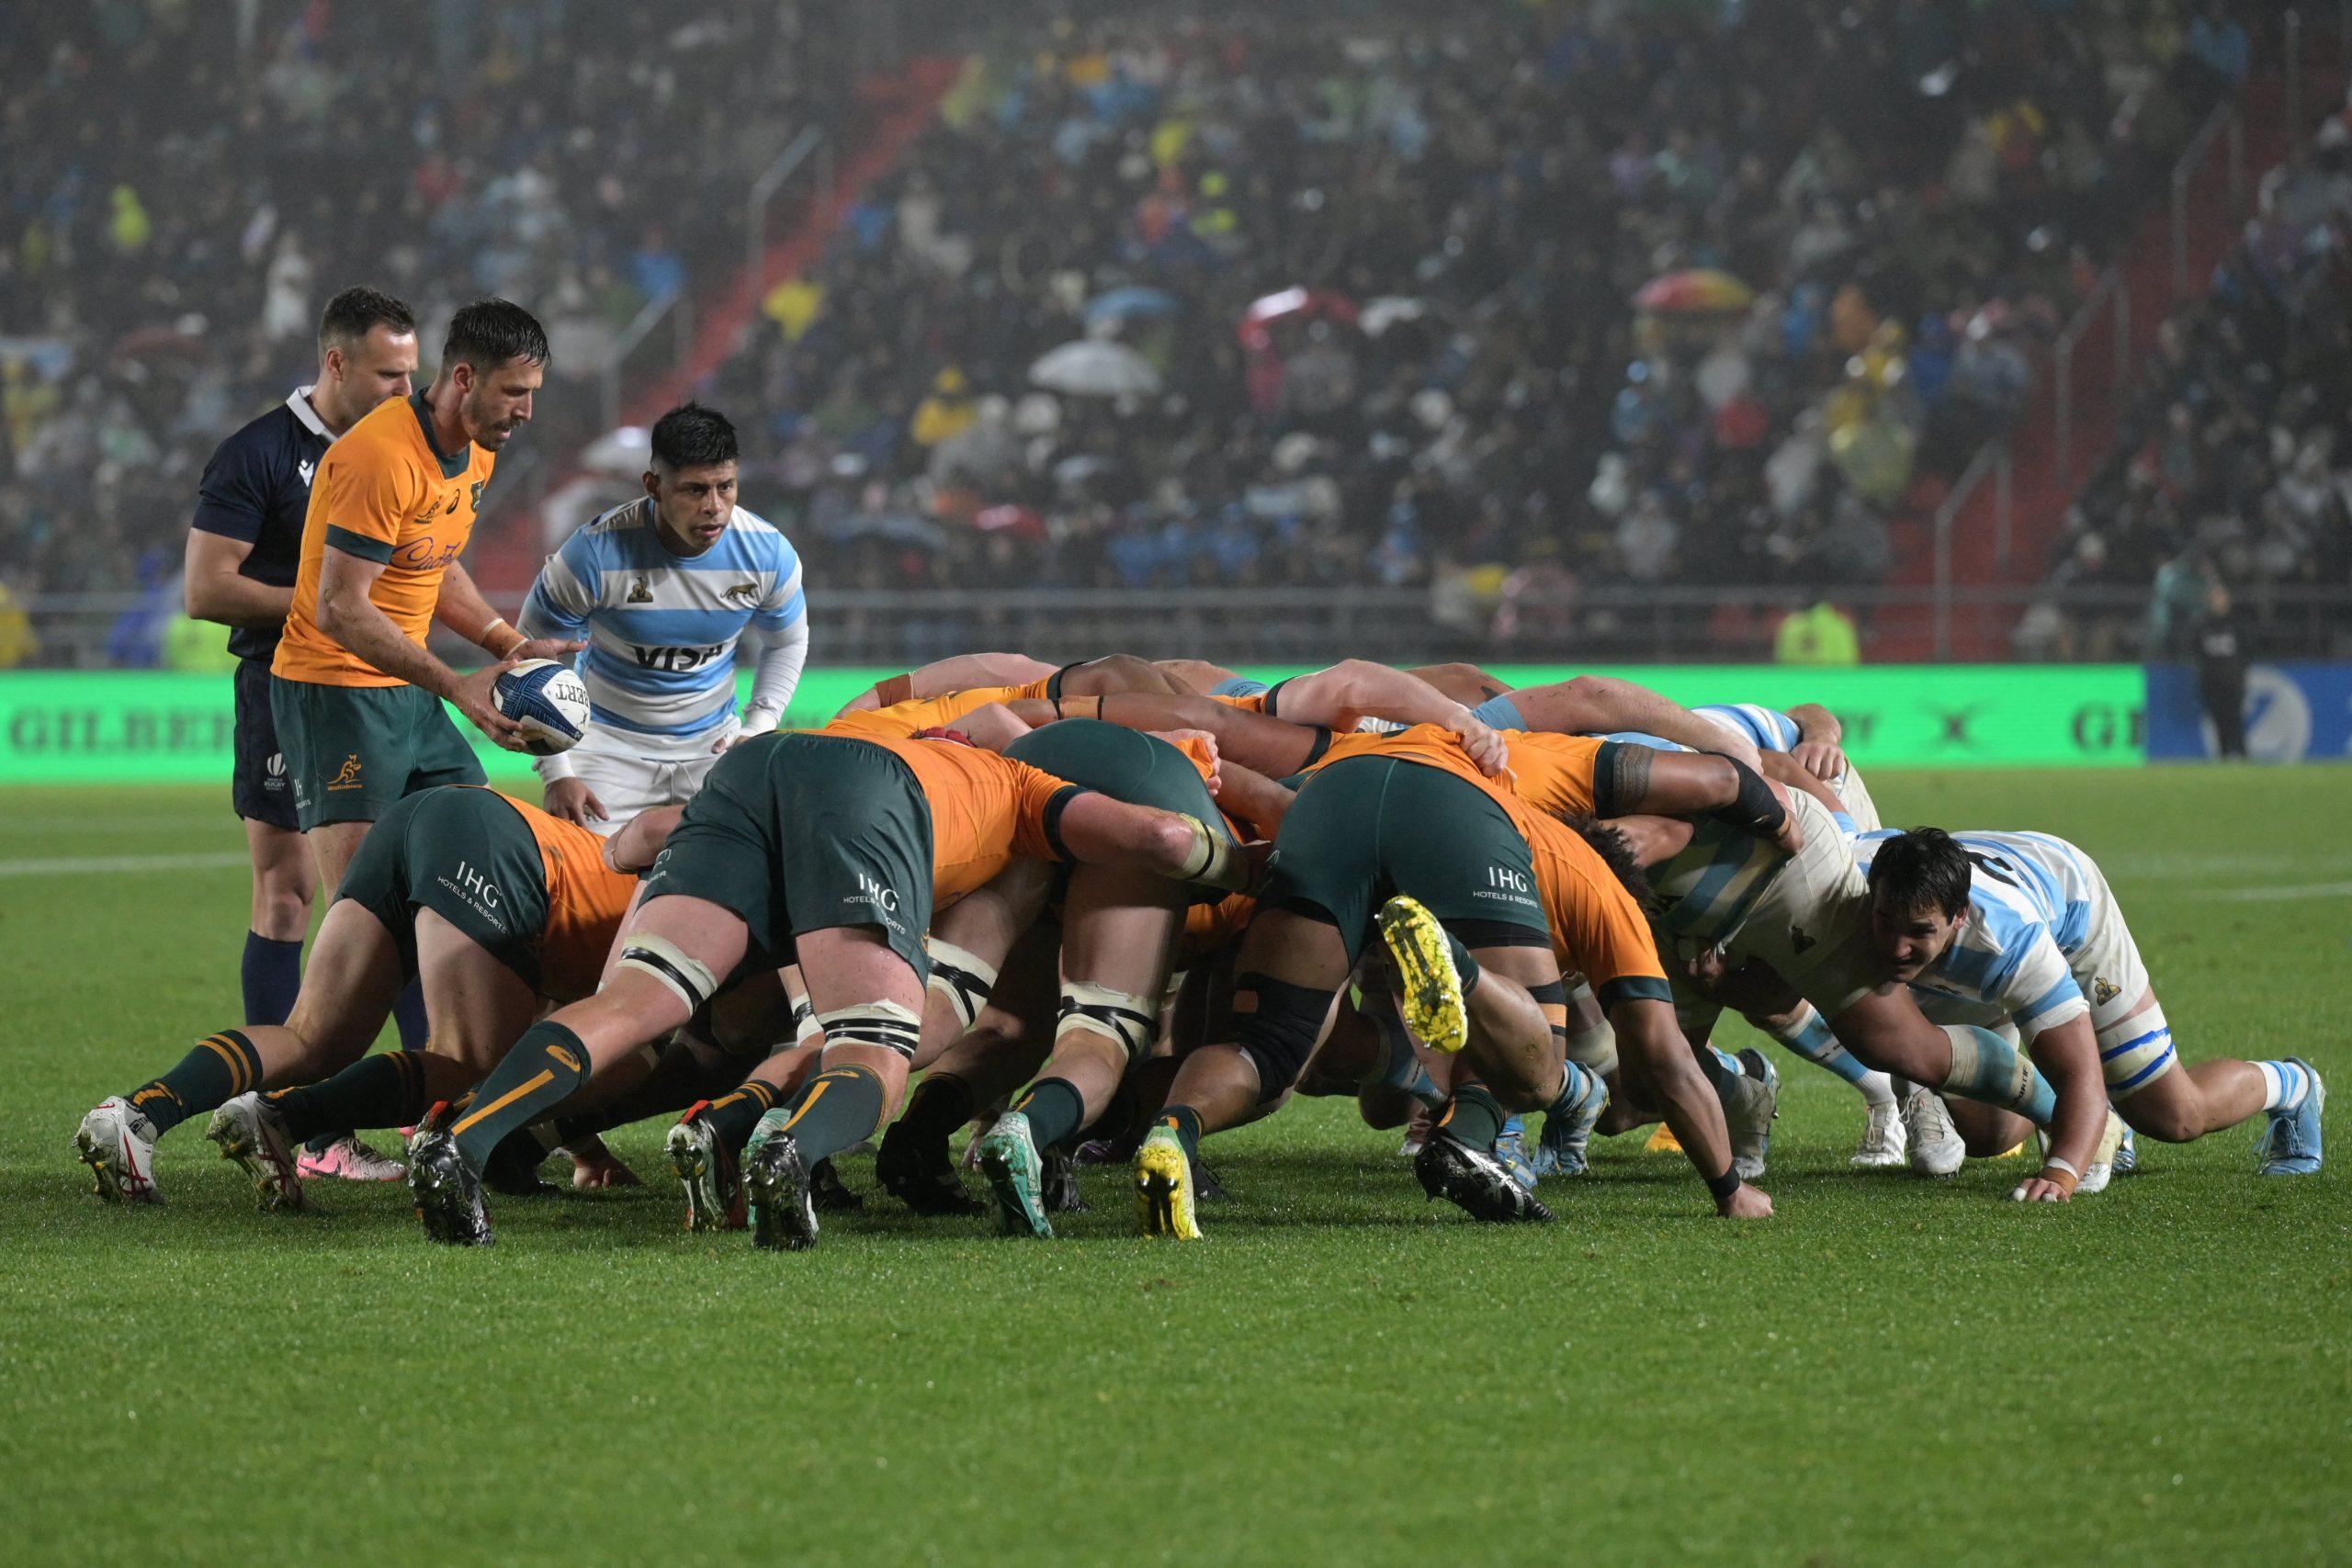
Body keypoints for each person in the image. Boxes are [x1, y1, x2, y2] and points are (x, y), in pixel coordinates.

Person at [402, 728, 1253, 1246]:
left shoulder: (938, 746)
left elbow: (639, 840)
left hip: (748, 775)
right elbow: (1157, 838)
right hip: (867, 800)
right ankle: (791, 1150)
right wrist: (1248, 865)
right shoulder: (1024, 788)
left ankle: (463, 1139)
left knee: (640, 1001)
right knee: (875, 1050)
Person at [1130, 726, 1784, 1239]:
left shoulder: (1527, 795)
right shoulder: (1601, 891)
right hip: (1451, 814)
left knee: (1273, 1051)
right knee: (1538, 1069)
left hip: (1331, 793)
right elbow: (1668, 1060)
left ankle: (1172, 1133)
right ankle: (1454, 959)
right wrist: (1730, 1188)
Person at [73, 786, 656, 1206]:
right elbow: (578, 1048)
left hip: (428, 817)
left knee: (311, 1037)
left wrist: (584, 1150)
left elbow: (554, 1039)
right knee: (471, 1068)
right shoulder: (686, 941)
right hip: (499, 851)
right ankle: (282, 1115)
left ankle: (137, 1114)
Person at [180, 286, 420, 1182]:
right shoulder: (261, 453)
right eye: (388, 375)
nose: (406, 392)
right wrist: (330, 604)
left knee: (413, 889)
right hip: (287, 689)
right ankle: (302, 1126)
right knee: (291, 895)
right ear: (335, 363)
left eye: (413, 375)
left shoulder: (409, 452)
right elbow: (206, 588)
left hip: (390, 692)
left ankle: (431, 1112)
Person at [268, 297, 573, 891]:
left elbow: (433, 561)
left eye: (532, 391)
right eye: (514, 390)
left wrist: (507, 643)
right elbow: (340, 606)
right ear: (463, 378)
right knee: (364, 912)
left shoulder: (480, 448)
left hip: (410, 691)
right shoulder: (380, 455)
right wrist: (456, 685)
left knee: (469, 871)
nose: (528, 410)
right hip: (333, 691)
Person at [1859, 827, 2322, 1188]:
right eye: (1885, 922)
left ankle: (2294, 1085)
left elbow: (2080, 1070)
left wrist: (2061, 1172)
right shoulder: (1843, 884)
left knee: (2173, 1115)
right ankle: (2095, 1116)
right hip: (1969, 926)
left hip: (2071, 910)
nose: (1897, 947)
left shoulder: (2011, 942)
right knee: (1987, 1135)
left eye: (1917, 931)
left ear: (1958, 917)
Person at [519, 402, 808, 833]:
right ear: (653, 486)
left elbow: (786, 641)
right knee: (587, 892)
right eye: (694, 490)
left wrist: (759, 726)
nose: (714, 507)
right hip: (605, 750)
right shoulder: (591, 555)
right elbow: (529, 657)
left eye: (725, 487)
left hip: (714, 750)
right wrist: (558, 771)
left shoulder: (768, 553)